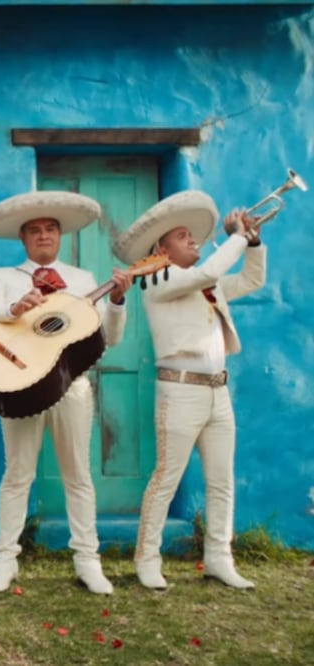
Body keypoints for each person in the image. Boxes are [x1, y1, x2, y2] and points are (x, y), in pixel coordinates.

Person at [0, 191, 133, 595]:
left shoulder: (81, 280)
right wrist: (16, 308)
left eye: (50, 229)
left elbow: (110, 338)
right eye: (34, 230)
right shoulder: (5, 275)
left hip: (72, 386)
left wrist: (117, 300)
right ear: (23, 239)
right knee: (17, 475)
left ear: (60, 236)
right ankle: (4, 560)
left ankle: (88, 561)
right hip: (22, 386)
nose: (43, 236)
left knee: (78, 475)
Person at [112, 191, 265, 590]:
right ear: (162, 249)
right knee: (166, 478)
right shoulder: (157, 281)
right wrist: (235, 234)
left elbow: (252, 278)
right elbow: (204, 272)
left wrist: (253, 242)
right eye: (183, 236)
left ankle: (219, 558)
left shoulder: (208, 286)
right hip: (180, 393)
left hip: (218, 392)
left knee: (221, 480)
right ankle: (146, 559)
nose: (194, 240)